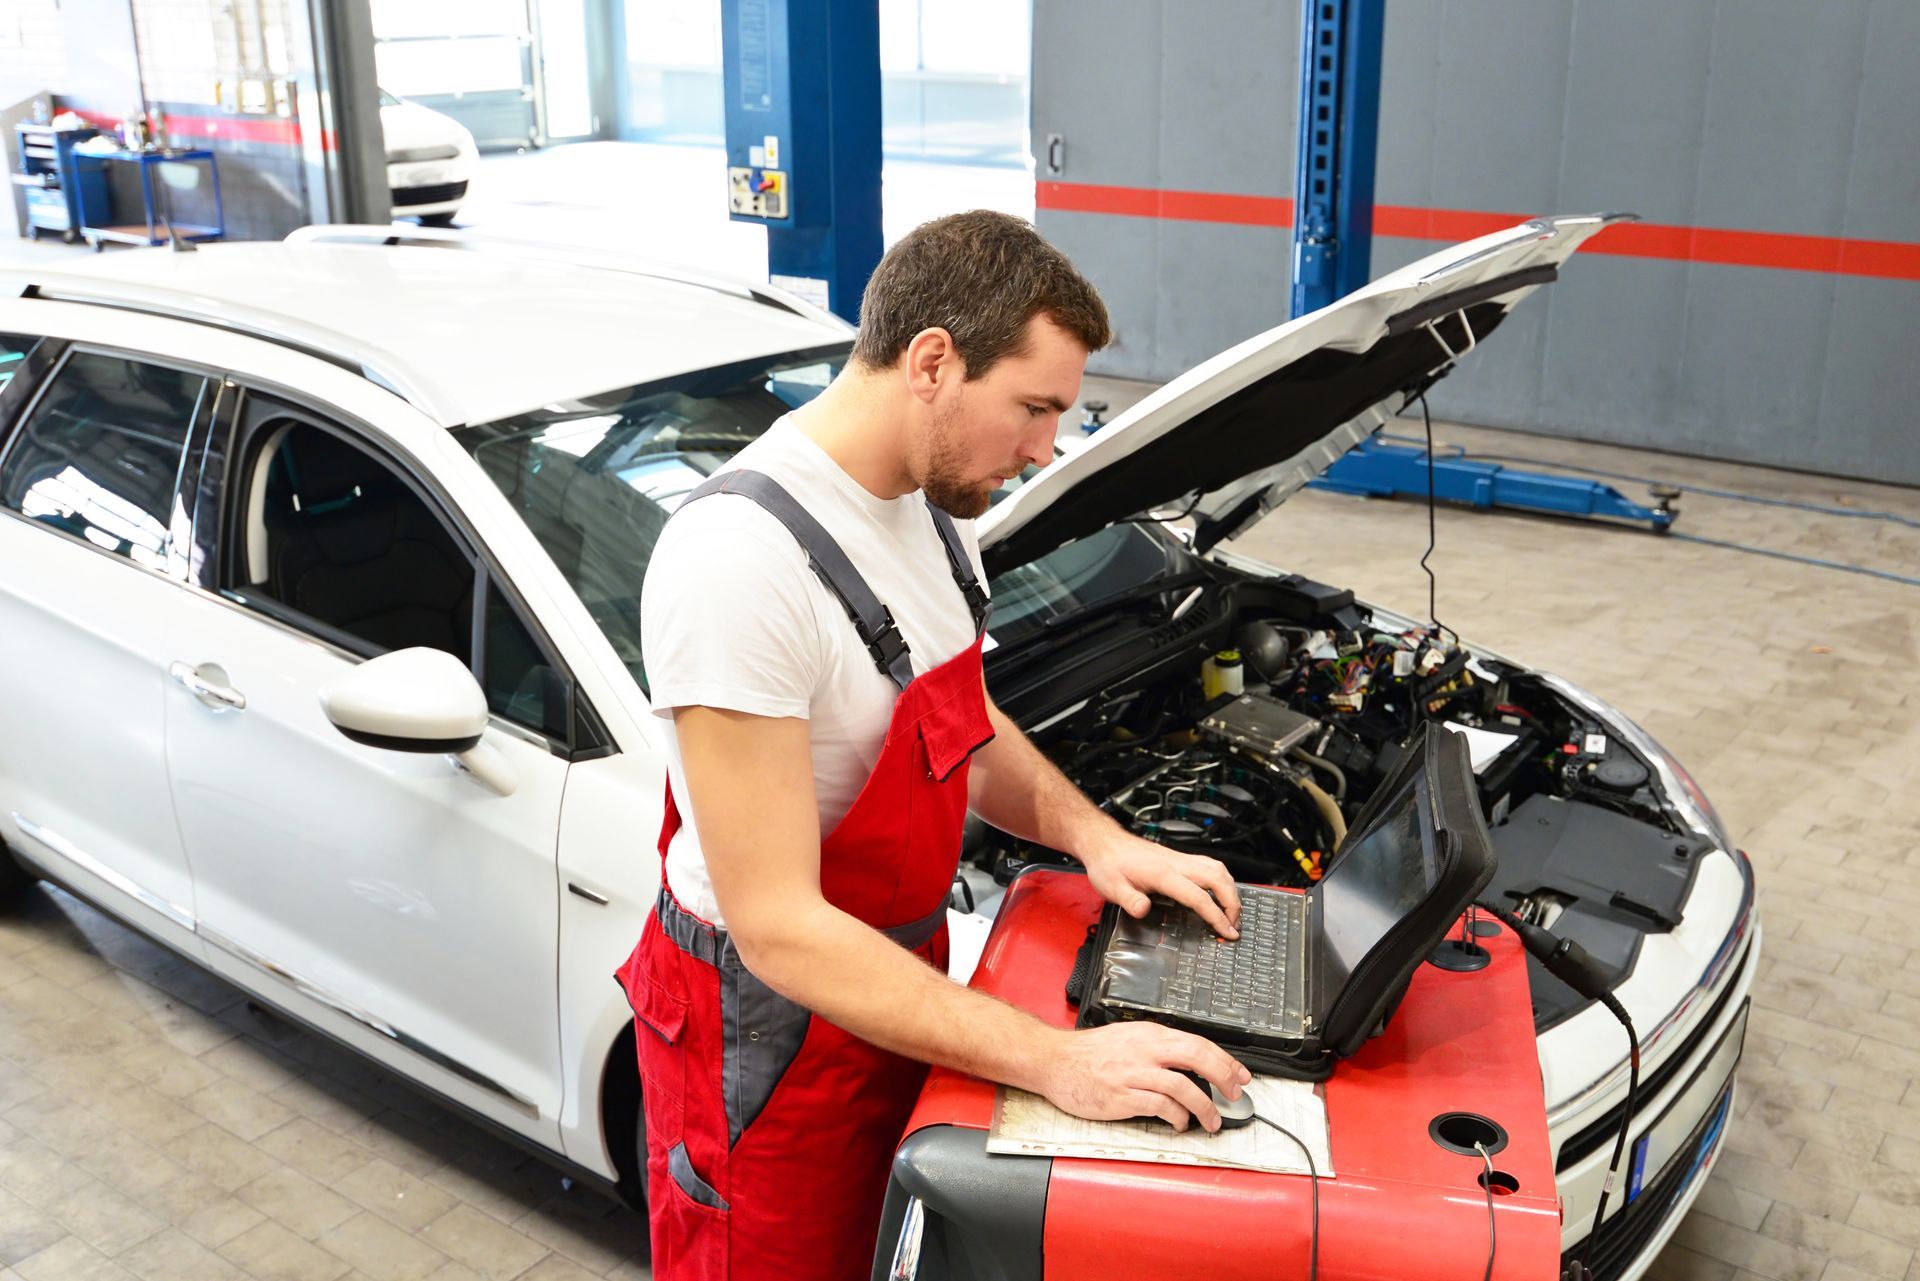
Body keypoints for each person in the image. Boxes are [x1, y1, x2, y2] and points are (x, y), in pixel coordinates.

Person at [615, 209, 1249, 1279]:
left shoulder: (932, 506)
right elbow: (775, 927)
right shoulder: (737, 563)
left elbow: (955, 717)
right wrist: (1059, 1063)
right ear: (932, 362)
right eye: (1034, 407)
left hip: (892, 988)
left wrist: (1098, 840)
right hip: (766, 1047)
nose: (1047, 447)